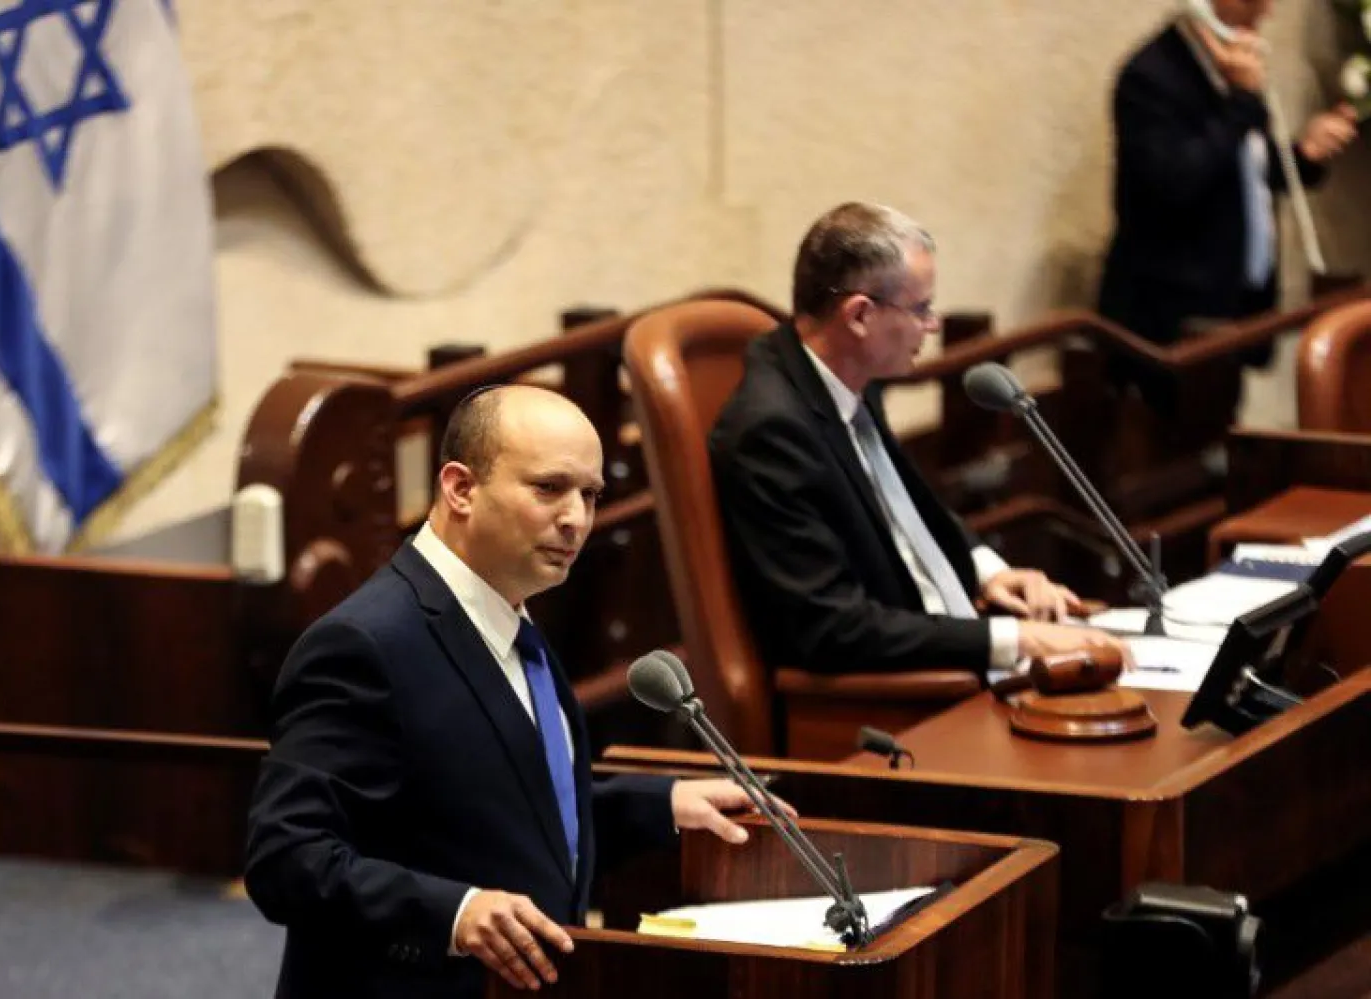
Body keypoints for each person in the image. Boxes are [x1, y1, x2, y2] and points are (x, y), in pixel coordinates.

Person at [245, 384, 768, 999]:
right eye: (549, 489)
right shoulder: (365, 645)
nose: (576, 518)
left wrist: (659, 805)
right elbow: (286, 858)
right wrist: (456, 913)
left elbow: (496, 802)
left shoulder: (510, 618)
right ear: (461, 488)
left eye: (590, 494)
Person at [710, 202, 1133, 678]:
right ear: (860, 316)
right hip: (888, 702)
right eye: (921, 309)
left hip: (940, 653)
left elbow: (910, 514)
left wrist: (990, 572)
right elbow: (829, 627)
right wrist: (1018, 639)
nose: (932, 326)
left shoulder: (838, 383)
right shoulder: (772, 431)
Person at [1098, 0, 1358, 411]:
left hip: (1230, 309)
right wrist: (1241, 103)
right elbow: (1172, 183)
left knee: (1225, 449)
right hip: (1173, 319)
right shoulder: (1152, 76)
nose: (1267, 13)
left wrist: (1304, 154)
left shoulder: (1232, 71)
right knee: (1179, 459)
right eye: (1256, 0)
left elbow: (1240, 173)